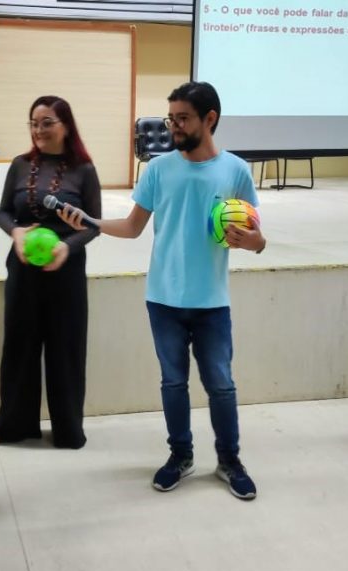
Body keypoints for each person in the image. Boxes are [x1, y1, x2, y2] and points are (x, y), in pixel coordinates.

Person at [58, 82, 264, 499]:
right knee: (173, 383)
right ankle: (181, 456)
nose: (173, 126)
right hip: (163, 301)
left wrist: (253, 242)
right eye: (171, 118)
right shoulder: (158, 169)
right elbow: (133, 227)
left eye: (182, 118)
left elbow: (258, 237)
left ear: (210, 119)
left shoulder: (236, 171)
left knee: (221, 384)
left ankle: (229, 460)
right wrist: (91, 222)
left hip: (211, 303)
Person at [0, 95, 102, 451]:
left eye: (47, 122)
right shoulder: (19, 165)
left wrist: (67, 247)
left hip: (66, 269)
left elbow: (93, 225)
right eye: (34, 123)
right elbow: (3, 213)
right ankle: (14, 425)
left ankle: (68, 429)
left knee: (66, 348)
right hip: (24, 269)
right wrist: (15, 232)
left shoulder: (84, 170)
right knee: (19, 345)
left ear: (66, 126)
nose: (39, 130)